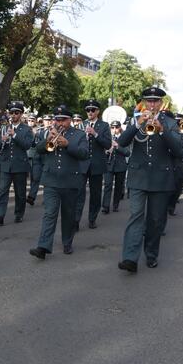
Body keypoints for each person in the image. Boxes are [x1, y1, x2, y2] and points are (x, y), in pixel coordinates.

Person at [117, 87, 183, 273]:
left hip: (161, 177)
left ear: (161, 103)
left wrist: (162, 131)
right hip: (138, 176)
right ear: (144, 102)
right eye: (148, 101)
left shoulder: (171, 122)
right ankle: (129, 258)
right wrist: (136, 125)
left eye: (155, 101)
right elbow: (122, 142)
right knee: (136, 216)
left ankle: (151, 254)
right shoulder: (136, 120)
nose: (151, 104)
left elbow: (180, 151)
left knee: (155, 220)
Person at [29, 106, 88, 259]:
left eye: (63, 120)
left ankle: (67, 242)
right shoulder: (48, 132)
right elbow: (38, 150)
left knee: (68, 215)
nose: (60, 122)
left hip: (70, 181)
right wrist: (47, 140)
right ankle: (43, 247)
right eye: (57, 119)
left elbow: (84, 154)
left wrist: (68, 144)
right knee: (49, 213)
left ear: (70, 120)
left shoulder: (79, 135)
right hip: (51, 180)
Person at [0, 101, 34, 225]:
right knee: (2, 192)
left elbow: (27, 145)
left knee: (20, 192)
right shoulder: (4, 128)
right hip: (5, 164)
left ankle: (19, 213)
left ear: (21, 114)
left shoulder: (26, 129)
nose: (13, 115)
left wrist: (14, 135)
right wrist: (1, 140)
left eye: (16, 113)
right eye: (12, 112)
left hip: (19, 165)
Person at [74, 99, 112, 230]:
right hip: (82, 164)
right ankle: (76, 221)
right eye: (88, 110)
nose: (90, 112)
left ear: (98, 111)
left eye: (93, 110)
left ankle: (92, 219)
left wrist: (95, 134)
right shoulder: (79, 125)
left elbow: (107, 144)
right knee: (79, 194)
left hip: (97, 164)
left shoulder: (104, 125)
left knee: (95, 195)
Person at [101, 120, 129, 214]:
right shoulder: (107, 138)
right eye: (112, 128)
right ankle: (106, 206)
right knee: (107, 185)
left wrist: (117, 146)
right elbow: (101, 150)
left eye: (116, 127)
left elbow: (127, 152)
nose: (114, 130)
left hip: (120, 166)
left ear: (120, 128)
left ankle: (115, 205)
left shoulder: (125, 138)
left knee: (118, 187)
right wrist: (106, 151)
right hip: (109, 165)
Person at [27, 114, 52, 205]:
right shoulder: (39, 130)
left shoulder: (52, 131)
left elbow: (49, 145)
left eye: (49, 120)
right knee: (35, 177)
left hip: (47, 156)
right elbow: (33, 144)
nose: (48, 122)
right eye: (46, 120)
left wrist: (36, 134)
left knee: (46, 179)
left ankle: (46, 198)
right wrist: (32, 135)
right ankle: (31, 197)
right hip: (37, 156)